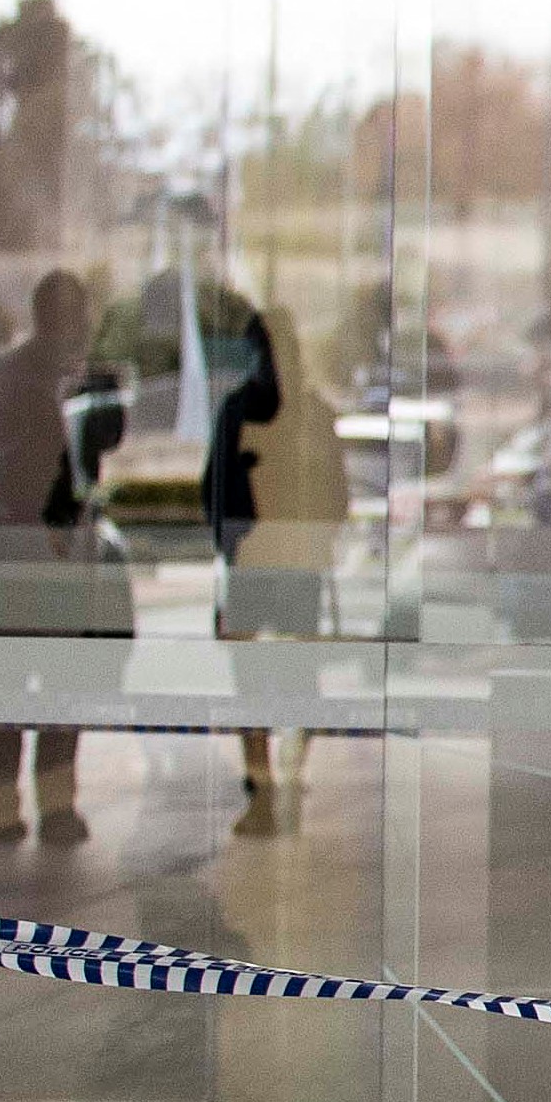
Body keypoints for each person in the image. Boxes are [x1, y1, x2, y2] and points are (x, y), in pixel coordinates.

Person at [0, 269, 106, 848]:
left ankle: (17, 810)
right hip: (30, 557)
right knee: (38, 691)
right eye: (75, 317)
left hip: (16, 555)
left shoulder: (20, 374)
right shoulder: (29, 380)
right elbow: (35, 473)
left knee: (28, 692)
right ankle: (36, 809)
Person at [205, 300, 349, 838]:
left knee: (288, 677)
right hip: (265, 560)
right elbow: (219, 492)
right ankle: (267, 778)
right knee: (265, 678)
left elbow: (333, 492)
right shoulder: (256, 410)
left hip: (278, 560)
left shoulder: (297, 411)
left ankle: (275, 777)